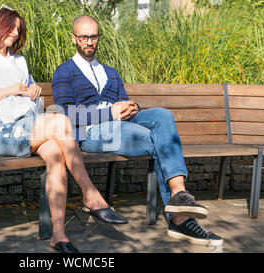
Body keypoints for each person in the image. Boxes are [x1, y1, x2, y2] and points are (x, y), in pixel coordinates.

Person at [0, 7, 127, 253]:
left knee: (57, 156)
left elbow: (32, 103)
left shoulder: (19, 61)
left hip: (29, 124)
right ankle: (90, 195)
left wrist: (33, 93)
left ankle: (58, 236)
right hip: (2, 131)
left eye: (19, 29)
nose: (16, 33)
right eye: (12, 27)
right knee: (61, 121)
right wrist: (7, 90)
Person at [51, 15, 223, 246]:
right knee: (157, 140)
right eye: (84, 37)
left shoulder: (110, 72)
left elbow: (124, 103)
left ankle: (179, 194)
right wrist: (109, 114)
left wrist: (134, 107)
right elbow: (66, 116)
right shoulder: (64, 72)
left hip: (122, 125)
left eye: (94, 36)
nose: (90, 41)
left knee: (162, 115)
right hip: (93, 133)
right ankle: (180, 219)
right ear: (74, 38)